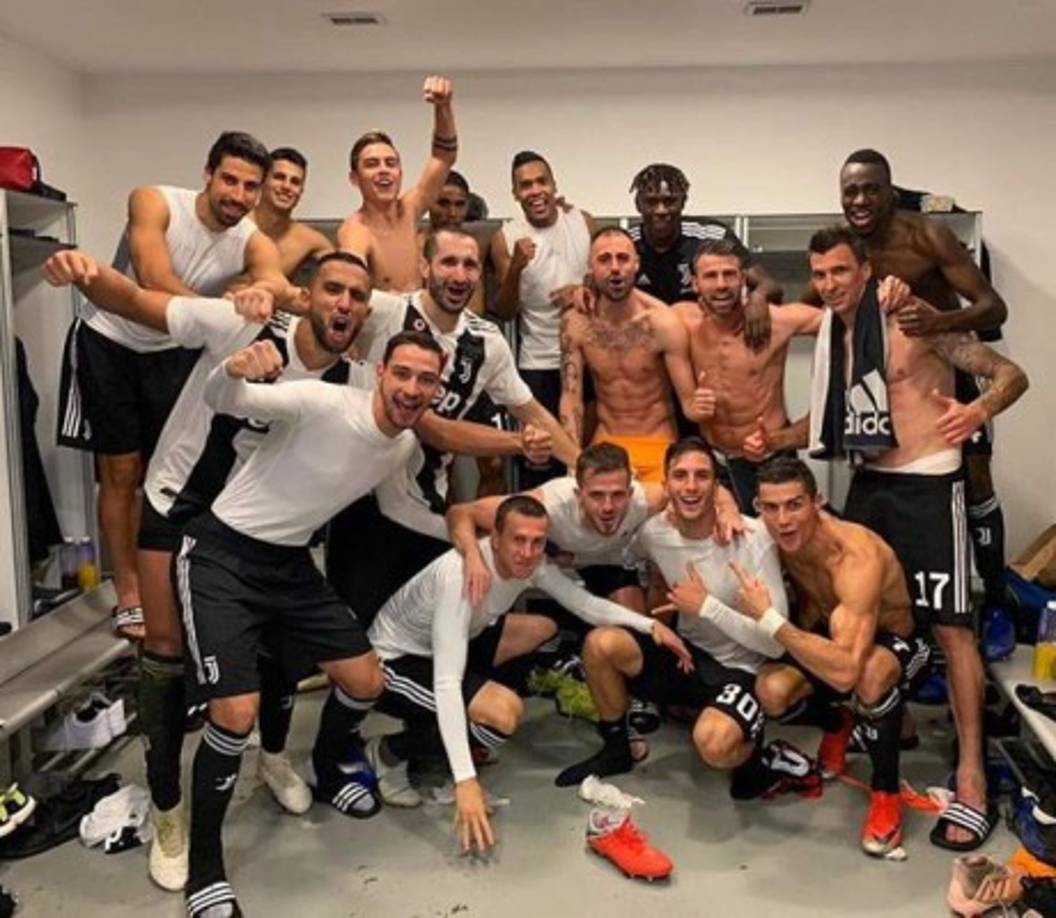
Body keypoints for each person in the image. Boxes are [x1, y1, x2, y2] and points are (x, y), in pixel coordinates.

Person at [177, 330, 444, 917]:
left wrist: (473, 540)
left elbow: (400, 506)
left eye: (426, 380)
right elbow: (225, 398)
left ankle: (327, 767)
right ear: (380, 372)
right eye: (403, 374)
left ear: (436, 389)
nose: (411, 389)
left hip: (290, 563)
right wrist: (235, 366)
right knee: (235, 712)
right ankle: (204, 871)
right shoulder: (324, 403)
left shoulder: (400, 447)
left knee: (365, 680)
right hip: (222, 555)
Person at [778, 226, 1028, 850]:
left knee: (951, 630)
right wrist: (775, 439)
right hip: (869, 485)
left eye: (841, 271)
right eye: (821, 274)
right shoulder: (838, 331)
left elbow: (1010, 374)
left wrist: (978, 411)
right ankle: (886, 725)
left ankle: (970, 777)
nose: (831, 284)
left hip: (927, 485)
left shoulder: (913, 316)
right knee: (857, 614)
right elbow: (835, 410)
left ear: (865, 269)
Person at [56, 131, 287, 640]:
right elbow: (154, 276)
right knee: (120, 470)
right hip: (109, 341)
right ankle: (129, 591)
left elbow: (274, 278)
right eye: (230, 179)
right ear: (207, 174)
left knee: (169, 473)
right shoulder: (154, 200)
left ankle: (173, 581)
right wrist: (220, 313)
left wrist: (263, 293)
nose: (238, 195)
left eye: (251, 187)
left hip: (172, 353)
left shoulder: (251, 237)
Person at [366, 494, 690, 852]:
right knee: (501, 716)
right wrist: (466, 782)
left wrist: (650, 626)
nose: (527, 552)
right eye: (518, 540)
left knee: (539, 628)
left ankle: (450, 735)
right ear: (496, 539)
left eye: (537, 542)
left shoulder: (532, 565)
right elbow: (446, 680)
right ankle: (387, 752)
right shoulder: (462, 577)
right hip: (394, 660)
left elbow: (583, 604)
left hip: (447, 643)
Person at [325, 228, 574, 626]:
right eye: (448, 262)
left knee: (433, 623)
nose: (459, 275)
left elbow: (533, 412)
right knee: (359, 630)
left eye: (470, 265)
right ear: (425, 266)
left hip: (425, 501)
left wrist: (581, 466)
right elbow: (433, 429)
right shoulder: (386, 312)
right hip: (360, 500)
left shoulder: (487, 343)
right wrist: (259, 294)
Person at [836, 148, 1012, 647]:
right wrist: (762, 298)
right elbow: (819, 300)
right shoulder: (851, 248)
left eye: (871, 189)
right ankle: (912, 631)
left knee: (975, 479)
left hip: (951, 370)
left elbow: (993, 309)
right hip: (896, 385)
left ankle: (995, 602)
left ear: (891, 192)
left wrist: (941, 320)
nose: (861, 199)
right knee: (889, 494)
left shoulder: (927, 235)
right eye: (851, 191)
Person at [553, 438, 791, 798]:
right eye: (680, 476)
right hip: (687, 656)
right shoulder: (654, 532)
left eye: (702, 476)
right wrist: (557, 557)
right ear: (665, 485)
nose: (691, 486)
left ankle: (756, 757)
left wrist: (707, 606)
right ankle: (617, 748)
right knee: (601, 643)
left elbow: (775, 645)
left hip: (742, 669)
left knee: (715, 746)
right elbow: (618, 556)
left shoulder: (752, 537)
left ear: (716, 485)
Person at [749, 457, 932, 858]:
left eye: (795, 505)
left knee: (866, 675)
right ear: (757, 508)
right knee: (770, 690)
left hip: (898, 643)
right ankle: (840, 721)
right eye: (771, 508)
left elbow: (847, 669)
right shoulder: (770, 538)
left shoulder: (855, 556)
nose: (783, 520)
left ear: (818, 501)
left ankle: (885, 795)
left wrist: (770, 620)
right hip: (834, 635)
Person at [673, 238, 823, 511]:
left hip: (772, 456)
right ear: (695, 283)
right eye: (710, 276)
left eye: (729, 274)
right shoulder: (682, 321)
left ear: (743, 278)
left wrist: (759, 296)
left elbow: (845, 321)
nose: (721, 284)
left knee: (786, 543)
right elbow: (632, 316)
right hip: (715, 460)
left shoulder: (777, 321)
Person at [559, 227, 697, 483]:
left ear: (636, 264)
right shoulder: (575, 323)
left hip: (659, 446)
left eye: (622, 258)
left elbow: (689, 404)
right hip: (605, 445)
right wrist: (572, 458)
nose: (614, 267)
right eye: (604, 259)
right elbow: (571, 398)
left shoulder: (662, 323)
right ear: (590, 268)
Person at [491, 151, 595, 486]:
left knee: (588, 459)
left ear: (553, 185)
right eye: (526, 185)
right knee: (541, 463)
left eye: (541, 181)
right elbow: (504, 310)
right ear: (515, 194)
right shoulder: (506, 237)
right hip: (538, 364)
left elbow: (609, 282)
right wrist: (517, 268)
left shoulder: (582, 222)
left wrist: (582, 289)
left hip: (588, 359)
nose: (535, 190)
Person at [626, 162, 781, 347]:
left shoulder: (713, 236)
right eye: (651, 202)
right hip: (648, 347)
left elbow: (769, 284)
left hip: (704, 346)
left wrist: (758, 298)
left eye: (669, 201)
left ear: (683, 202)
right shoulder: (625, 245)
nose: (661, 210)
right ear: (638, 204)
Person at [337, 75, 457, 291]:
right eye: (372, 164)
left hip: (421, 316)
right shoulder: (355, 231)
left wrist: (443, 107)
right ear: (355, 179)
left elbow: (443, 157)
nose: (383, 170)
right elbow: (351, 289)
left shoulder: (410, 209)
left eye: (390, 163)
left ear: (400, 173)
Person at [248, 146, 333, 280]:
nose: (286, 187)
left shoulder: (310, 240)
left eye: (295, 182)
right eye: (279, 177)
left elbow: (341, 271)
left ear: (301, 191)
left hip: (277, 298)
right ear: (262, 182)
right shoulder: (237, 224)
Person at [418, 169, 486, 316]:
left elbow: (475, 310)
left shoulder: (470, 249)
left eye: (460, 204)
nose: (452, 213)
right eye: (443, 203)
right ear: (429, 202)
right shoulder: (414, 246)